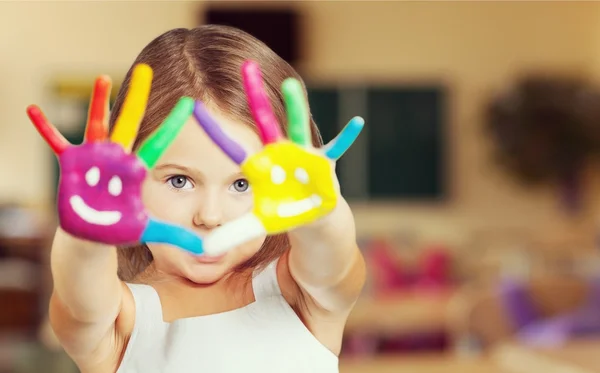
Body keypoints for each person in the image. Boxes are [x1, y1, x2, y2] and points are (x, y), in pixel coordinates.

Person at [46, 24, 365, 373]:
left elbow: (332, 260)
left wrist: (322, 214)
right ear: (130, 184)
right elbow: (79, 295)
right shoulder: (118, 324)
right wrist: (86, 233)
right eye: (179, 180)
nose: (210, 217)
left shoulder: (301, 295)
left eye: (242, 184)